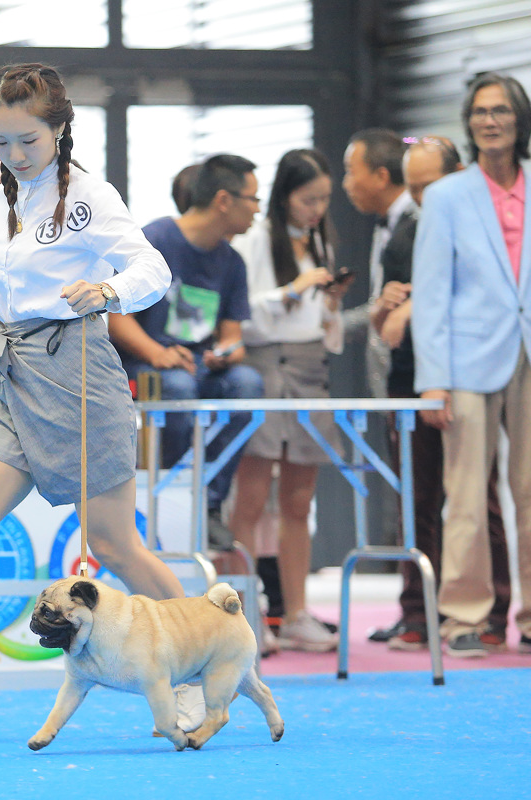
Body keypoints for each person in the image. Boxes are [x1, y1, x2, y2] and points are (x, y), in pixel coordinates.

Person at [0, 63, 204, 737]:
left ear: (59, 129)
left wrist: (109, 291)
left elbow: (153, 268)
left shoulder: (89, 195)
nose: (15, 154)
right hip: (16, 375)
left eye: (27, 140)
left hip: (80, 372)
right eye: (0, 141)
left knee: (116, 544)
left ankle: (195, 668)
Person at [368, 135, 511, 652]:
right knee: (418, 500)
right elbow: (385, 323)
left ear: (457, 176)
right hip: (410, 378)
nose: (420, 197)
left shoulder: (481, 223)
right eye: (413, 187)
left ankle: (492, 612)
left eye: (429, 185)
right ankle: (419, 612)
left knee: (477, 498)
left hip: (469, 372)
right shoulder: (404, 230)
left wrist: (417, 307)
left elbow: (488, 297)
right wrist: (386, 309)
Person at [413, 72, 531, 658]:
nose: (490, 120)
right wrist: (433, 379)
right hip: (463, 361)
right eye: (480, 111)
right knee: (464, 495)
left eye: (500, 110)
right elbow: (431, 291)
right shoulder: (446, 195)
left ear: (519, 119)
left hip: (528, 354)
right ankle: (463, 616)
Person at [228, 149, 351, 652]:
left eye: (323, 199)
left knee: (300, 500)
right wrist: (292, 291)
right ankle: (241, 615)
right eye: (308, 199)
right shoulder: (257, 238)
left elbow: (327, 332)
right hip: (265, 366)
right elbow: (244, 317)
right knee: (251, 498)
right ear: (284, 196)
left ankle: (296, 612)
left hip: (309, 367)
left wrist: (331, 303)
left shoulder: (320, 240)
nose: (316, 209)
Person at [107, 155, 265, 539]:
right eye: (253, 199)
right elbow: (114, 315)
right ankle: (174, 500)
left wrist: (226, 353)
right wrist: (157, 353)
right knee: (177, 387)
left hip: (198, 366)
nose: (258, 210)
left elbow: (232, 338)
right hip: (147, 366)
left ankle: (208, 501)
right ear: (224, 200)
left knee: (247, 383)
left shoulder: (232, 262)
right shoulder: (155, 240)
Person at [342, 129, 413, 400]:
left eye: (351, 172)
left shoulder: (420, 220)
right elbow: (381, 303)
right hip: (392, 376)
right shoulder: (386, 222)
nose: (346, 184)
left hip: (416, 376)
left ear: (381, 177)